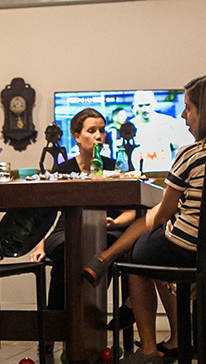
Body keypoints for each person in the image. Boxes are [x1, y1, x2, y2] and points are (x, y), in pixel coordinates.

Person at [93, 74, 206, 364]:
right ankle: (179, 339)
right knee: (155, 250)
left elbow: (162, 215)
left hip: (190, 250)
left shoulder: (192, 155)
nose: (183, 115)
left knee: (140, 254)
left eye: (189, 108)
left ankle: (148, 349)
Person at [30, 108, 138, 316]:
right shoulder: (63, 169)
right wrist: (39, 243)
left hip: (108, 228)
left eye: (101, 130)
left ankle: (87, 317)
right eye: (91, 131)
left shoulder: (115, 166)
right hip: (67, 229)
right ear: (77, 137)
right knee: (65, 249)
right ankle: (57, 319)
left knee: (101, 246)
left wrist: (114, 223)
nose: (98, 136)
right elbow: (44, 213)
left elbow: (131, 213)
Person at [129, 90, 194, 171]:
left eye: (147, 105)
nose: (144, 109)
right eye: (141, 106)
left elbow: (181, 146)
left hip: (165, 172)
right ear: (135, 106)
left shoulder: (168, 122)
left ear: (154, 103)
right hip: (140, 173)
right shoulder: (130, 125)